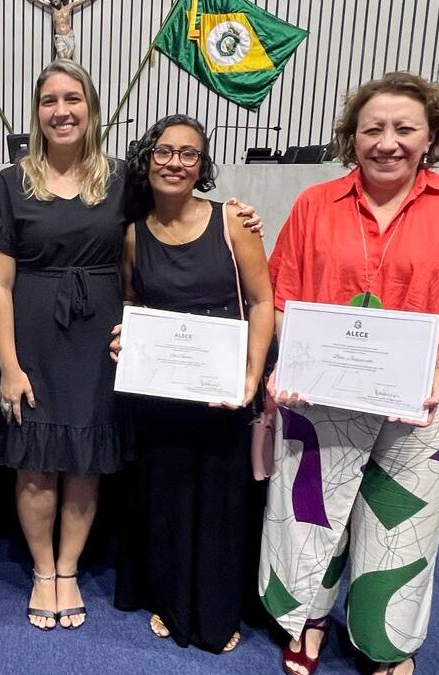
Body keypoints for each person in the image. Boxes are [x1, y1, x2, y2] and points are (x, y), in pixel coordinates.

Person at [0, 59, 262, 632]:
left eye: (74, 98)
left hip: (101, 336)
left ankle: (67, 570)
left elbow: (174, 213)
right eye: (50, 100)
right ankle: (40, 571)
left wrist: (237, 212)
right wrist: (8, 364)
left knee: (86, 461)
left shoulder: (120, 179)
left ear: (92, 108)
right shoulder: (11, 183)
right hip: (32, 332)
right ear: (36, 112)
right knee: (34, 464)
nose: (62, 110)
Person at [260, 72, 439, 675]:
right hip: (320, 395)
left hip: (423, 396)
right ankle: (310, 620)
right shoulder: (314, 204)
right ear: (352, 137)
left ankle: (385, 639)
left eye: (405, 128)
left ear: (430, 136)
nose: (387, 141)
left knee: (403, 520)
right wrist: (289, 362)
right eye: (372, 128)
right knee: (311, 513)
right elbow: (282, 297)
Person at [109, 114, 274, 653]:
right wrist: (125, 337)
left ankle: (217, 610)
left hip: (222, 388)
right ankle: (169, 599)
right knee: (166, 498)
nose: (174, 162)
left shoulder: (233, 223)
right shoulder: (133, 234)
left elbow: (261, 301)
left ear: (202, 166)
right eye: (163, 151)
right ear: (146, 158)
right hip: (160, 392)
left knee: (221, 502)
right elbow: (133, 302)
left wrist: (252, 374)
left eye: (188, 154)